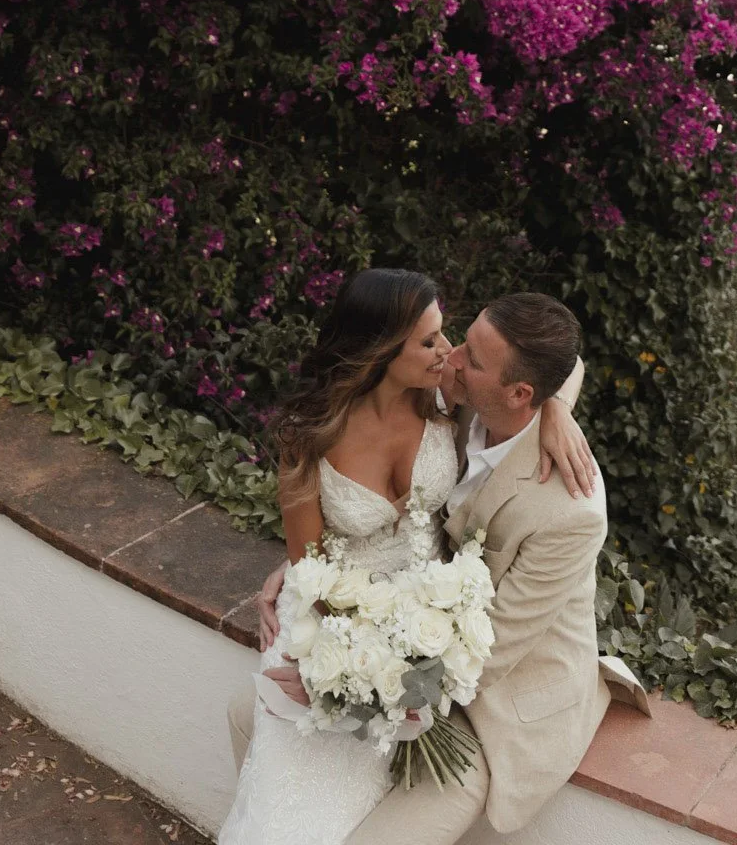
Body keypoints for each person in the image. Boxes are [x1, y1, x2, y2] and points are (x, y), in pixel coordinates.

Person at [226, 278, 626, 845]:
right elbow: (567, 363)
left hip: (492, 695)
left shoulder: (572, 513)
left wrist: (355, 688)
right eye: (453, 341)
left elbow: (491, 652)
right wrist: (299, 571)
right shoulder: (455, 398)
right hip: (392, 630)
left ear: (519, 393)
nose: (451, 359)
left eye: (471, 358)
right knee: (257, 722)